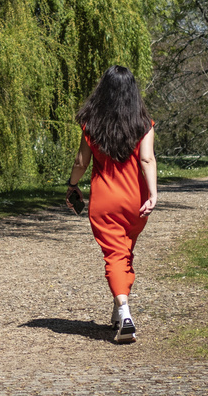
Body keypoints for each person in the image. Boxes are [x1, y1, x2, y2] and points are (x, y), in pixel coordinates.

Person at [65, 65, 156, 343]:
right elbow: (146, 160)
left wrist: (71, 185)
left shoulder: (91, 123)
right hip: (135, 201)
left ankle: (125, 313)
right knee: (124, 252)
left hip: (104, 201)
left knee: (115, 256)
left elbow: (82, 162)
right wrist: (153, 193)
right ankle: (119, 309)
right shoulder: (143, 123)